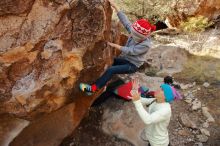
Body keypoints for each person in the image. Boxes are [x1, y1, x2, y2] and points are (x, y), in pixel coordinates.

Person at [80, 0, 156, 94]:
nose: (131, 35)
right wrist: (116, 8)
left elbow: (131, 51)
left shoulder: (146, 45)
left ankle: (93, 89)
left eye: (134, 35)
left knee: (112, 70)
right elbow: (126, 22)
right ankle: (103, 82)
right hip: (125, 59)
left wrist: (115, 46)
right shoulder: (136, 32)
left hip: (132, 65)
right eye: (131, 33)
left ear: (141, 36)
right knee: (110, 61)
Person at [131, 79, 174, 146]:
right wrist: (134, 90)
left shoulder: (165, 110)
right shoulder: (155, 100)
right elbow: (140, 100)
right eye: (160, 88)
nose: (158, 89)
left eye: (162, 90)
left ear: (166, 97)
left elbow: (148, 120)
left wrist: (137, 101)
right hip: (152, 138)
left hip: (159, 143)